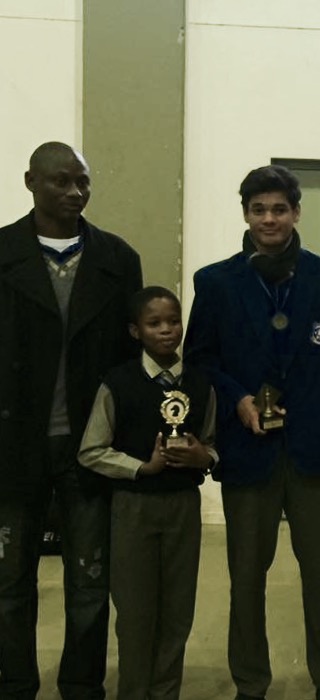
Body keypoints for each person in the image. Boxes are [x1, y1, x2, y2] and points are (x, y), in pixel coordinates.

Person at [184, 164, 320, 700]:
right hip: (248, 450)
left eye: (279, 209)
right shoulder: (215, 283)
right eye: (258, 209)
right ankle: (250, 683)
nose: (269, 219)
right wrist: (237, 397)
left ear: (296, 212)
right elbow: (200, 360)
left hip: (317, 454)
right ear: (245, 214)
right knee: (246, 578)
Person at [0, 142, 142, 699]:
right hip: (13, 444)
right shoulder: (3, 253)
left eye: (82, 181)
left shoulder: (117, 259)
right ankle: (14, 683)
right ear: (30, 181)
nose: (75, 192)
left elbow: (130, 362)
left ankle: (82, 686)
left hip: (90, 445)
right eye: (61, 181)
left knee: (89, 579)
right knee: (10, 581)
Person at [77, 286, 217, 700]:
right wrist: (142, 468)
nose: (167, 330)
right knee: (136, 614)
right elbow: (91, 450)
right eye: (154, 323)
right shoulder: (118, 382)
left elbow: (212, 443)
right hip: (133, 509)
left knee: (177, 612)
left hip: (183, 507)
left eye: (173, 321)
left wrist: (203, 457)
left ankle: (166, 693)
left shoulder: (200, 383)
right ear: (135, 331)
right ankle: (134, 692)